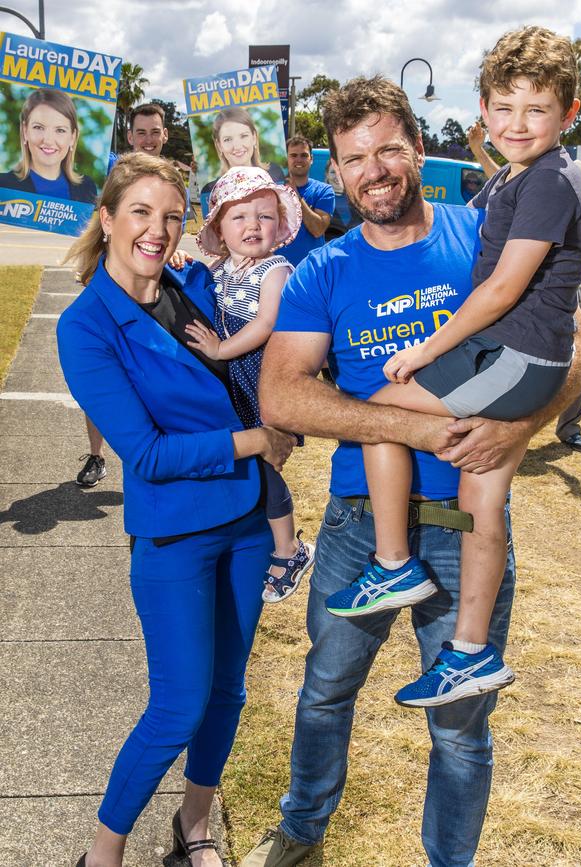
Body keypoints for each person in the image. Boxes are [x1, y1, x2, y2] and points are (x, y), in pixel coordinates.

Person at [242, 73, 581, 867]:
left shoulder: (488, 228)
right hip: (358, 526)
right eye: (355, 157)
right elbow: (283, 395)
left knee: (461, 727)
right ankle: (301, 833)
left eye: (389, 149)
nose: (374, 169)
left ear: (419, 147)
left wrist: (523, 428)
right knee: (326, 692)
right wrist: (409, 426)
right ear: (335, 171)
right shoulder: (321, 273)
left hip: (468, 523)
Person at [323, 27, 581, 711]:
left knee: (386, 404)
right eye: (504, 108)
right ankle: (470, 652)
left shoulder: (550, 181)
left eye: (537, 110)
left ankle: (391, 565)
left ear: (570, 113)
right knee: (484, 501)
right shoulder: (519, 176)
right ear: (483, 109)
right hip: (522, 358)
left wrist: (425, 350)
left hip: (516, 358)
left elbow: (501, 290)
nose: (517, 124)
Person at [57, 152, 295, 867]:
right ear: (106, 219)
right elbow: (148, 454)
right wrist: (258, 437)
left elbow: (274, 283)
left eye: (169, 215)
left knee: (228, 692)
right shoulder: (85, 326)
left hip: (248, 522)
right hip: (175, 538)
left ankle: (193, 824)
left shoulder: (196, 283)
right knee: (176, 707)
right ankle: (103, 853)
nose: (156, 230)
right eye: (139, 213)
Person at [468, 121, 581, 446]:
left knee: (576, 361)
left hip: (566, 296)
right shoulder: (533, 194)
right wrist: (479, 149)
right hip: (522, 293)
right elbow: (501, 175)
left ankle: (570, 428)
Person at [185, 165, 315, 602]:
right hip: (231, 382)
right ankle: (254, 536)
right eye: (239, 217)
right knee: (241, 460)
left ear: (279, 226)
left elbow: (266, 322)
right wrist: (185, 259)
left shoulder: (275, 269)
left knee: (262, 461)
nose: (252, 226)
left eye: (263, 216)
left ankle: (290, 549)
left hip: (258, 378)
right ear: (221, 227)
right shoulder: (219, 268)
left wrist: (221, 350)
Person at [77, 103, 176, 489]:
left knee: (150, 376)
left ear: (164, 135)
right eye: (141, 133)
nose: (148, 140)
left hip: (152, 289)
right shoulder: (112, 173)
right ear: (129, 136)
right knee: (104, 374)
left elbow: (166, 232)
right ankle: (97, 455)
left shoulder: (171, 181)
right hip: (113, 283)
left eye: (155, 132)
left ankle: (156, 452)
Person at [0, 88, 97, 203]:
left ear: (73, 137)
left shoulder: (87, 188)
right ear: (25, 131)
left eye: (60, 130)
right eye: (39, 127)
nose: (48, 140)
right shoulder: (3, 186)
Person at [201, 107, 285, 202]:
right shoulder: (210, 191)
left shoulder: (275, 173)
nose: (237, 146)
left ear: (254, 138)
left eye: (244, 136)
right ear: (219, 145)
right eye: (227, 139)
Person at [281, 136, 335, 267]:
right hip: (276, 269)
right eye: (293, 155)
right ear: (286, 159)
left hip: (310, 270)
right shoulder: (273, 189)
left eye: (304, 155)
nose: (299, 159)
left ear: (311, 159)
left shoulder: (324, 191)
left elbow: (318, 230)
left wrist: (296, 196)